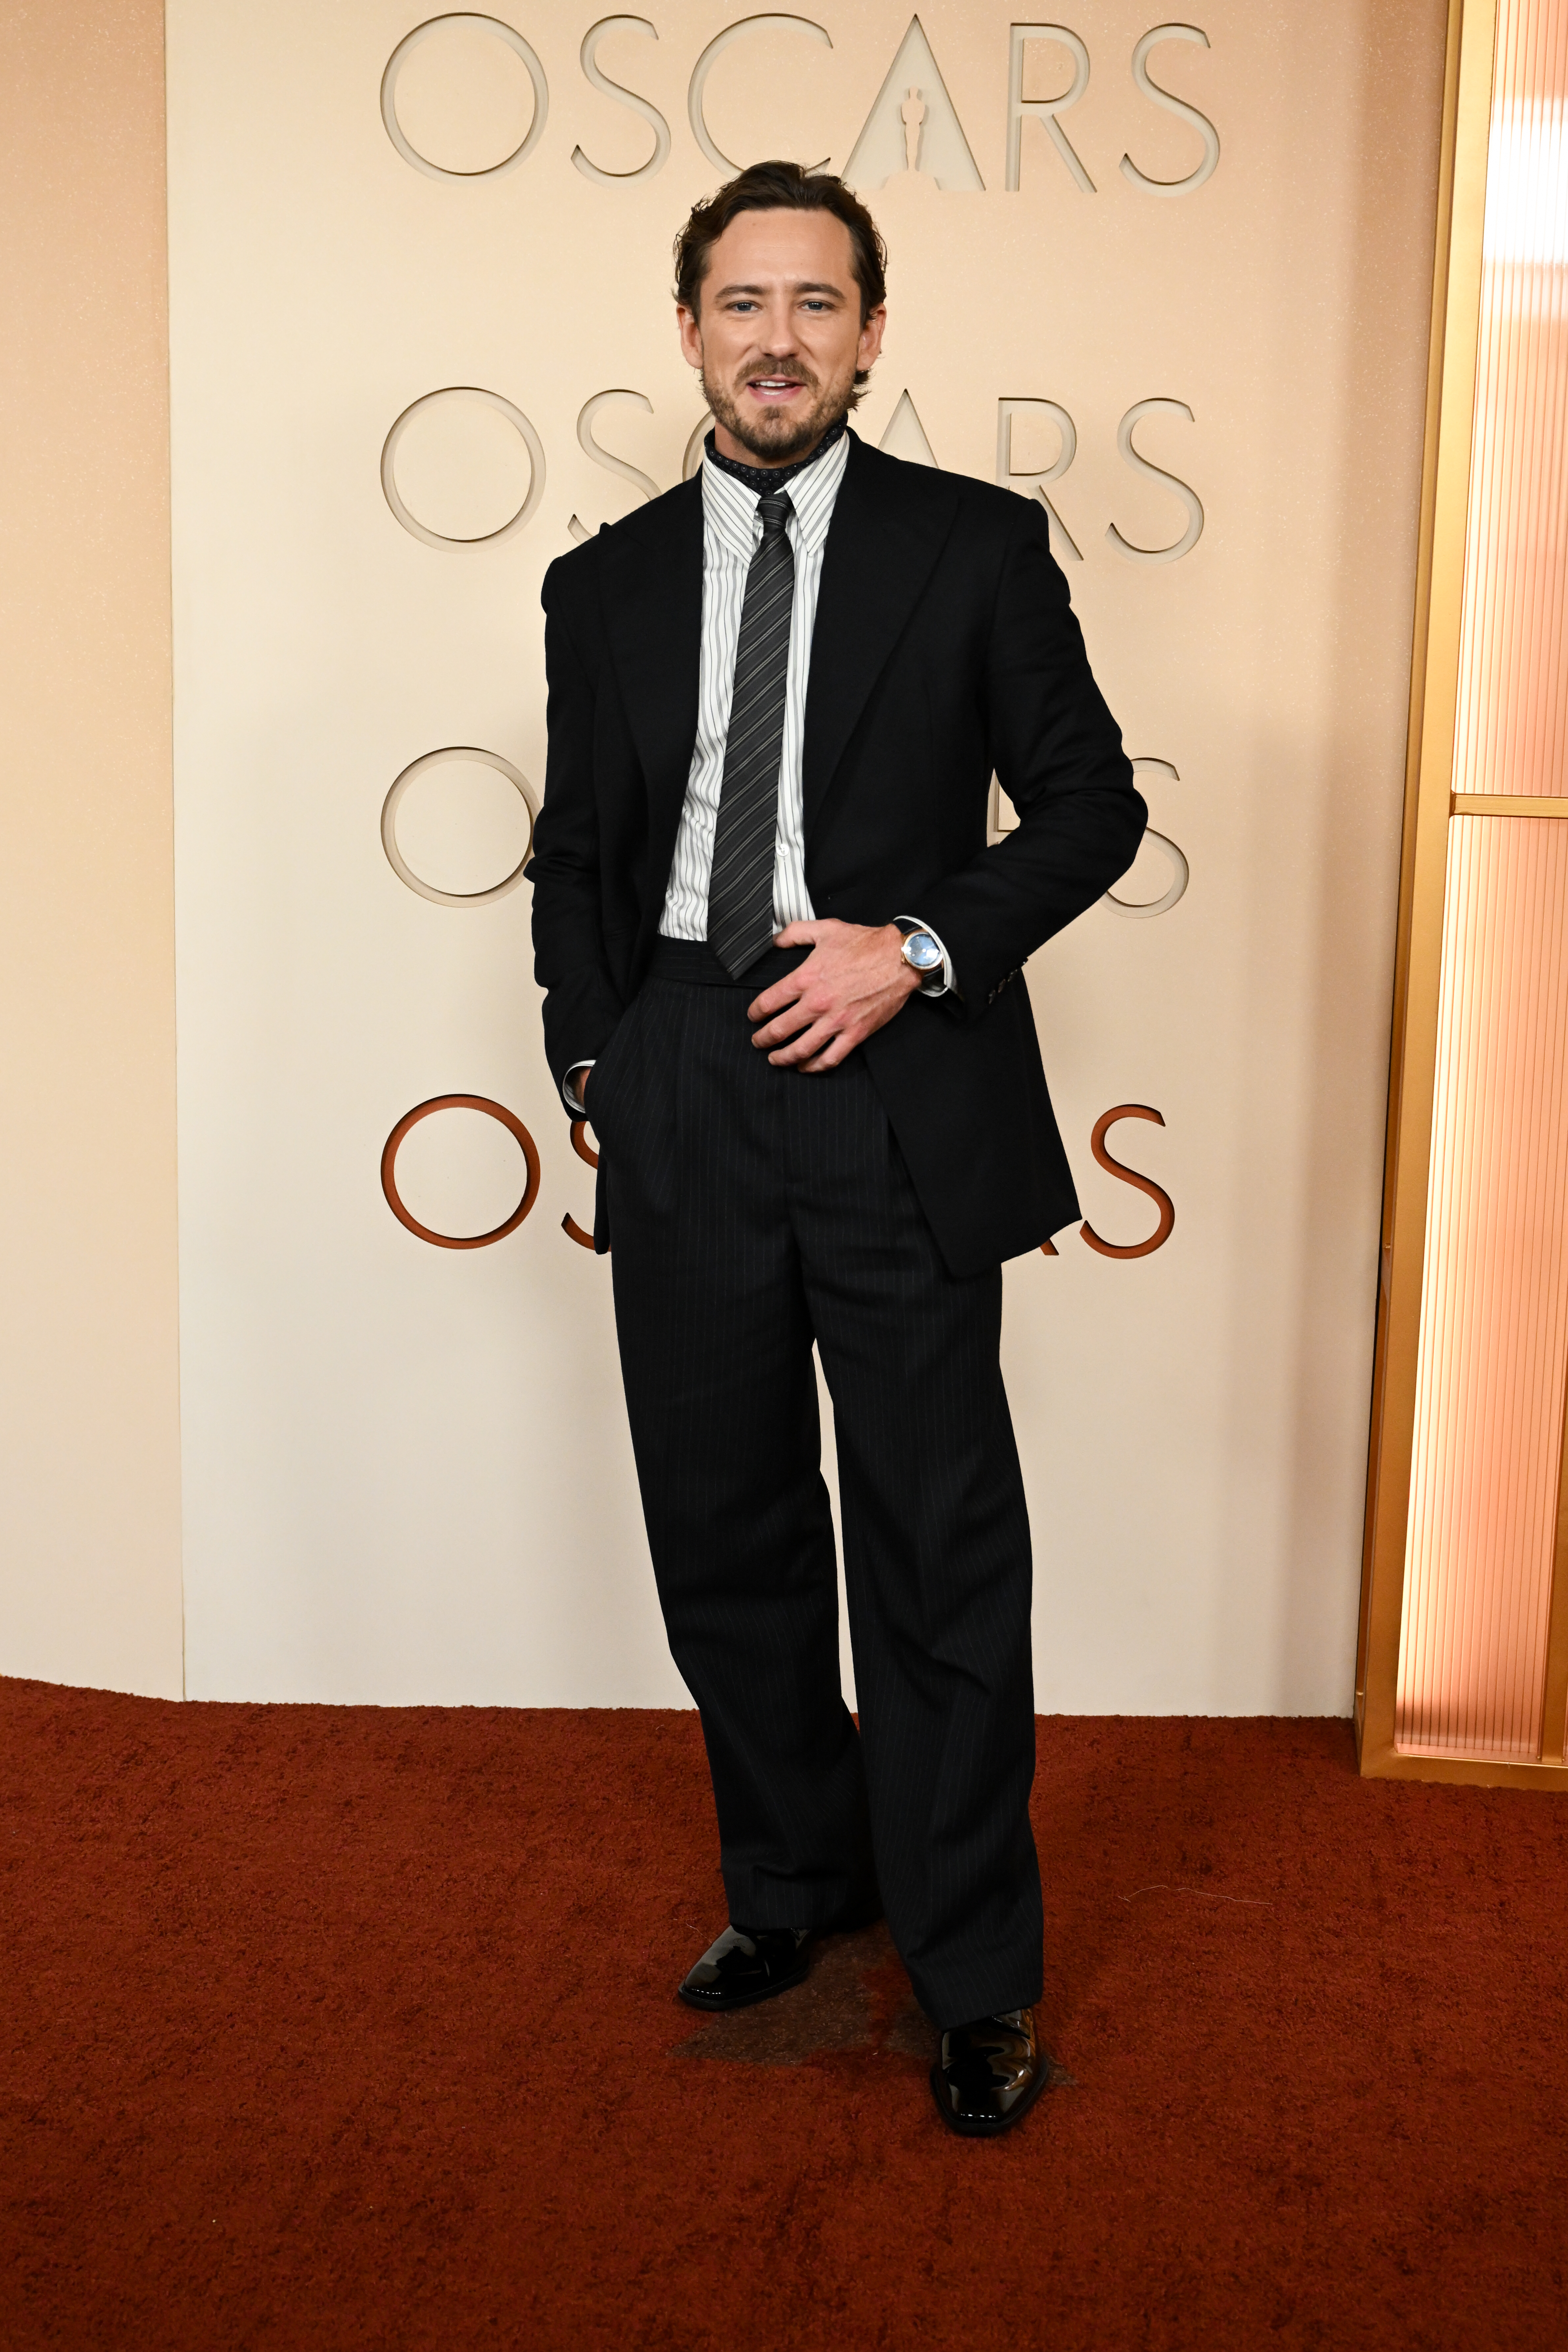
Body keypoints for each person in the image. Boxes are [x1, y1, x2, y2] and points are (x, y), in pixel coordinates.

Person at [530, 160, 1145, 2138]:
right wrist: (599, 1057)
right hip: (689, 1077)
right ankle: (795, 1887)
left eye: (815, 303)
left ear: (872, 332)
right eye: (740, 301)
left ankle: (973, 1975)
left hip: (894, 1067)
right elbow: (577, 861)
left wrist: (922, 950)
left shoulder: (973, 550)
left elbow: (1085, 806)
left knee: (935, 1545)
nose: (776, 337)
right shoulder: (601, 581)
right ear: (690, 328)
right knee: (726, 1534)